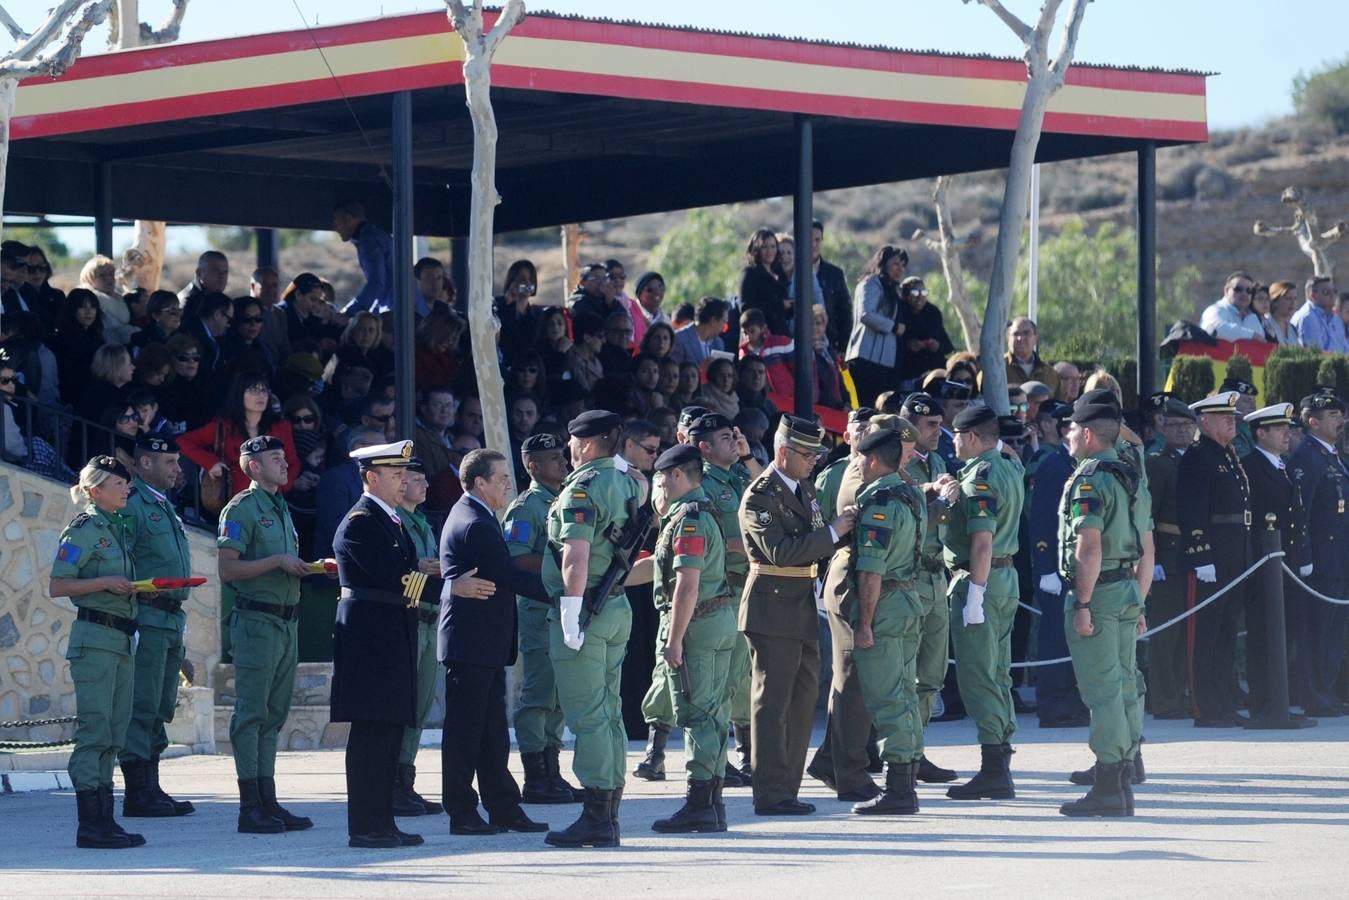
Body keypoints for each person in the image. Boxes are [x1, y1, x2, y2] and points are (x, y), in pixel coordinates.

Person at [738, 415, 857, 815]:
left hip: (801, 602)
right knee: (773, 703)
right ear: (784, 452)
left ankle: (787, 787)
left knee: (802, 700)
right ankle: (770, 791)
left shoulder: (802, 489)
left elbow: (815, 541)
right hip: (771, 606)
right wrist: (834, 532)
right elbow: (781, 552)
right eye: (807, 454)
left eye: (817, 454)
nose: (814, 462)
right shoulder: (761, 496)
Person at [542, 410, 648, 848]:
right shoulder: (624, 480)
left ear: (585, 445)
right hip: (617, 607)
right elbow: (644, 487)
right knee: (608, 711)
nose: (568, 450)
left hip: (586, 610)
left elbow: (575, 555)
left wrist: (570, 611)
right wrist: (624, 465)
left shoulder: (582, 488)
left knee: (587, 716)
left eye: (571, 442)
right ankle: (610, 810)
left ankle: (596, 816)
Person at [329, 441, 436, 848]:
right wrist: (450, 587)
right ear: (372, 478)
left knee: (389, 729)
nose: (403, 480)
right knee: (372, 732)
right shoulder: (361, 521)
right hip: (370, 637)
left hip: (391, 631)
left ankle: (382, 820)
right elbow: (396, 576)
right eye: (395, 475)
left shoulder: (388, 520)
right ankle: (365, 825)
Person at [438, 448, 550, 836]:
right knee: (467, 732)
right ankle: (462, 810)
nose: (508, 484)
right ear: (479, 483)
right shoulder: (475, 522)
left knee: (490, 732)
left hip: (481, 644)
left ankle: (503, 806)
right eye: (501, 478)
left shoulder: (478, 516)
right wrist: (565, 592)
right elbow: (509, 575)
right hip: (472, 645)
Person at [217, 436, 320, 835]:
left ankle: (268, 799)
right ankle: (249, 806)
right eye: (274, 459)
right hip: (257, 621)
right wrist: (277, 561)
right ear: (252, 467)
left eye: (284, 457)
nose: (285, 464)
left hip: (286, 620)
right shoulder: (242, 508)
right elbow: (228, 569)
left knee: (273, 715)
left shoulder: (280, 507)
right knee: (252, 713)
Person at [638, 443, 736, 834]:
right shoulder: (699, 512)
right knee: (713, 713)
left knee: (696, 714)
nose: (658, 488)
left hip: (697, 625)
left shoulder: (688, 520)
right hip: (717, 620)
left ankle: (699, 804)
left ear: (677, 475)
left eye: (660, 480)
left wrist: (674, 638)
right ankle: (712, 804)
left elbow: (686, 585)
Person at [1058, 394, 1148, 817]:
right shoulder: (1129, 473)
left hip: (1102, 592)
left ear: (1088, 433)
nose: (1068, 434)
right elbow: (1146, 545)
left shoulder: (1090, 478)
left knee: (1104, 690)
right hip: (1126, 587)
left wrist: (1082, 603)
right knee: (1124, 683)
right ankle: (1123, 773)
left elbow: (1088, 548)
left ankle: (1110, 784)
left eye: (1073, 427)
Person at [50, 456, 144, 849]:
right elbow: (58, 584)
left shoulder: (116, 529)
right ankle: (90, 824)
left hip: (120, 638)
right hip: (95, 639)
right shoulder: (84, 530)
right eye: (118, 483)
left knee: (115, 732)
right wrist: (107, 581)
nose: (126, 488)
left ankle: (105, 820)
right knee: (96, 732)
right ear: (94, 490)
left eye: (126, 482)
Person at [939, 405, 1025, 800]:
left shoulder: (981, 477)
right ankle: (1001, 758)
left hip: (982, 580)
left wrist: (974, 592)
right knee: (999, 670)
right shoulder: (1007, 465)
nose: (952, 441)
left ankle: (994, 767)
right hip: (1005, 578)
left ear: (972, 437)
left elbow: (982, 541)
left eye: (957, 434)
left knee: (979, 676)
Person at [844, 422, 929, 815]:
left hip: (887, 607)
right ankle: (905, 778)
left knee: (889, 699)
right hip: (910, 601)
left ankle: (898, 789)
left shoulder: (878, 503)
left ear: (874, 459)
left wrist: (864, 623)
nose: (857, 464)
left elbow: (871, 570)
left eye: (861, 457)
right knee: (906, 694)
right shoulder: (911, 495)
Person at [117, 435, 196, 820]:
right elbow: (120, 556)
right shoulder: (132, 503)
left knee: (162, 704)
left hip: (170, 616)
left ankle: (152, 787)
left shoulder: (164, 506)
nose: (177, 469)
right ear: (145, 463)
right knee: (143, 703)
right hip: (146, 615)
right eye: (169, 462)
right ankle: (137, 792)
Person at [504, 434, 583, 805]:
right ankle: (535, 774)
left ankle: (552, 769)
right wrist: (563, 567)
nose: (563, 462)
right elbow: (517, 557)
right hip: (538, 610)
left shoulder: (565, 499)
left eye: (562, 455)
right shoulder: (526, 508)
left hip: (563, 607)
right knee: (538, 693)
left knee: (560, 695)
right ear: (533, 466)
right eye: (553, 458)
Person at [1177, 391, 1251, 727]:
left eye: (1232, 415)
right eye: (1223, 416)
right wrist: (1200, 554)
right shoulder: (1198, 456)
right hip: (1210, 561)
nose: (1231, 420)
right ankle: (1204, 706)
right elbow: (1192, 511)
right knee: (1204, 634)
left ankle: (1222, 700)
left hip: (1233, 558)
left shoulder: (1227, 455)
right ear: (1204, 422)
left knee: (1225, 632)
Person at [898, 393, 961, 780]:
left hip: (937, 574)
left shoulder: (937, 461)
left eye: (940, 423)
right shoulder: (900, 466)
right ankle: (900, 754)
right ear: (909, 427)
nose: (939, 432)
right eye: (930, 426)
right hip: (911, 574)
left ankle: (916, 750)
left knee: (931, 675)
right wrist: (943, 501)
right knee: (904, 672)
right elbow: (913, 517)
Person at [1241, 403, 1310, 721]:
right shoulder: (1251, 467)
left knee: (1284, 634)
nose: (1287, 434)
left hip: (1284, 563)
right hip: (1264, 564)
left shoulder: (1280, 466)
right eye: (1280, 428)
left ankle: (1278, 700)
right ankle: (1264, 704)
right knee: (1263, 635)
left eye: (1288, 428)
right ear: (1261, 433)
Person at [1286, 391, 1349, 717]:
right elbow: (1301, 513)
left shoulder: (1331, 456)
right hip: (1320, 563)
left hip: (1339, 560)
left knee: (1335, 631)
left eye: (1341, 414)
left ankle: (1327, 691)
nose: (1341, 420)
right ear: (1313, 421)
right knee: (1316, 631)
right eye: (1334, 415)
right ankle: (1313, 694)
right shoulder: (1307, 458)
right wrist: (1304, 556)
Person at [1029, 401, 1091, 728]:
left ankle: (1073, 701)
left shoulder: (1084, 464)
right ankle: (1052, 705)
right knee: (1055, 637)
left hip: (1078, 566)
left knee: (1076, 639)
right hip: (1057, 568)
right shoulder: (1055, 466)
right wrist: (1045, 568)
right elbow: (1041, 521)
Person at [391, 459, 447, 817]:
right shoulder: (396, 523)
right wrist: (418, 569)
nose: (424, 485)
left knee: (421, 706)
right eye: (415, 479)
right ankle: (393, 783)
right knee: (403, 704)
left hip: (429, 617)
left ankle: (406, 781)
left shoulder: (423, 522)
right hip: (409, 616)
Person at [1143, 398, 1197, 720]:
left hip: (1192, 553)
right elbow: (1147, 514)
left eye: (1188, 426)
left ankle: (1179, 691)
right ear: (1163, 427)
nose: (1182, 431)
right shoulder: (1157, 462)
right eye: (1175, 425)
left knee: (1186, 630)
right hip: (1168, 551)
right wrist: (1154, 558)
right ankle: (1163, 699)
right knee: (1166, 631)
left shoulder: (1195, 458)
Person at [845, 246, 906, 408]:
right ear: (883, 264)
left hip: (883, 364)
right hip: (865, 360)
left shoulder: (893, 290)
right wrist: (893, 327)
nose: (900, 269)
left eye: (902, 265)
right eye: (895, 264)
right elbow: (866, 314)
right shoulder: (871, 283)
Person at [333, 201, 394, 314]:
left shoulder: (368, 239)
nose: (336, 229)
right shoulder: (377, 234)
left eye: (337, 223)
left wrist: (348, 313)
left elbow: (376, 283)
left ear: (349, 219)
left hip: (395, 308)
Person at [897, 277, 954, 387]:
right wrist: (908, 345)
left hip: (933, 372)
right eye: (914, 292)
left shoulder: (933, 313)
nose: (919, 297)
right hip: (907, 373)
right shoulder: (899, 311)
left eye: (923, 292)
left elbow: (949, 347)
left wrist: (938, 346)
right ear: (905, 295)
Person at [738, 228, 789, 336]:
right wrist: (779, 305)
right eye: (764, 247)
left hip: (781, 335)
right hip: (760, 337)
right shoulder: (749, 273)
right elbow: (746, 307)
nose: (769, 251)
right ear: (756, 249)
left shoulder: (779, 273)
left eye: (773, 246)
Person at [1201, 271, 1266, 342]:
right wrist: (1252, 335)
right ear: (1226, 290)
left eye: (1249, 290)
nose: (1244, 294)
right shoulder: (1216, 309)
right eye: (1238, 289)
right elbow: (1213, 329)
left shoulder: (1252, 317)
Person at [1291, 275, 1349, 352]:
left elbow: (1345, 348)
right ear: (1313, 295)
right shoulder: (1308, 318)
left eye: (1334, 291)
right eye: (1326, 292)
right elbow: (1316, 355)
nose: (1332, 295)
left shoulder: (1334, 318)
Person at [1003, 318, 1059, 396]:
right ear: (1008, 338)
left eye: (1026, 333)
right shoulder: (997, 369)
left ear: (1035, 338)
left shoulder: (1049, 373)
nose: (1020, 338)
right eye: (1016, 334)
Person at [671, 297, 729, 367]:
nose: (724, 326)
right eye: (724, 321)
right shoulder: (679, 338)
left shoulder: (718, 343)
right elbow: (675, 370)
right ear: (713, 320)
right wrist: (700, 368)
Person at [178, 250, 230, 319]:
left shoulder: (214, 298)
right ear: (199, 273)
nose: (221, 276)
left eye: (225, 272)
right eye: (215, 271)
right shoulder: (187, 301)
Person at [1264, 280, 1302, 346]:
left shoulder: (1292, 328)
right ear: (1275, 301)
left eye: (1295, 298)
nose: (1293, 303)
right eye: (1288, 299)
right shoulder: (1265, 324)